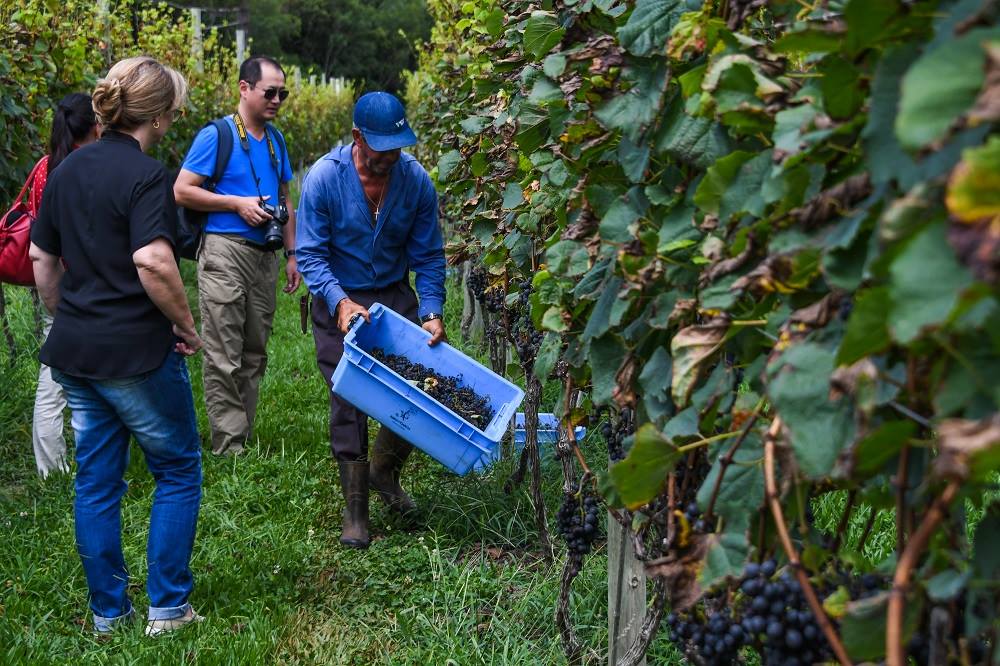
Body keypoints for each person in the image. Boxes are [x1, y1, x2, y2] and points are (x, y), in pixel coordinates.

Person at [29, 56, 204, 636]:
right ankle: (168, 609)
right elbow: (153, 260)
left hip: (77, 352)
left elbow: (41, 258)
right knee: (177, 469)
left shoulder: (65, 171)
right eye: (173, 110)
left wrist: (68, 314)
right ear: (156, 116)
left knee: (97, 482)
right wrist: (185, 325)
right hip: (136, 354)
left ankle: (109, 614)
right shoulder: (148, 176)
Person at [296, 91, 446, 549]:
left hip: (393, 296)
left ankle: (384, 471)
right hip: (340, 297)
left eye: (397, 147)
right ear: (357, 137)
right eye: (382, 147)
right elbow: (311, 254)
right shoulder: (325, 178)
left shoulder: (415, 181)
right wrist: (339, 302)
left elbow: (429, 256)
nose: (391, 157)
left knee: (421, 387)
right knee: (349, 395)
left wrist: (431, 311)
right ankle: (356, 508)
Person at [174, 55, 300, 457]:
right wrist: (235, 203)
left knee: (254, 349)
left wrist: (293, 254)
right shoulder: (217, 135)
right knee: (223, 350)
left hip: (265, 256)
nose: (277, 100)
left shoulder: (277, 140)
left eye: (282, 94)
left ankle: (241, 430)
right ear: (244, 89)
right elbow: (182, 190)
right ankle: (229, 446)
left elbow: (285, 199)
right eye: (270, 92)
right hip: (225, 251)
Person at [25, 93, 100, 477]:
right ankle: (96, 460)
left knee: (53, 374)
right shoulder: (91, 167)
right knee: (97, 373)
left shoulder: (44, 167)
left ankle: (50, 467)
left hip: (50, 276)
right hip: (89, 280)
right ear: (95, 125)